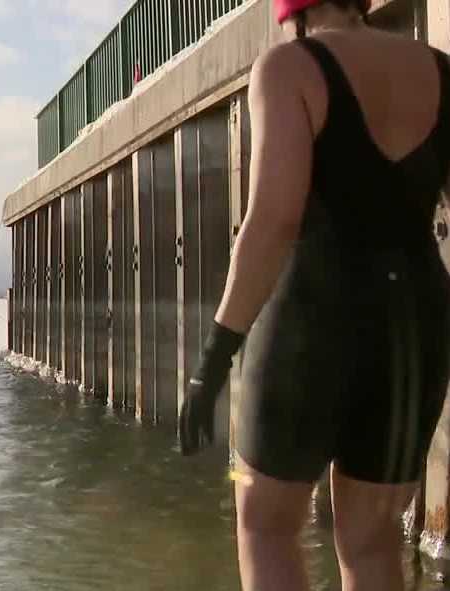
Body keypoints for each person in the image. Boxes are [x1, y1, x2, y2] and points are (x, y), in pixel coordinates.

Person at [178, 0, 450, 589]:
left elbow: (271, 222)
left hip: (310, 318)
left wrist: (213, 359)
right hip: (414, 328)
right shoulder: (442, 71)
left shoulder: (288, 68)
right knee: (373, 541)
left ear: (292, 12)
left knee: (265, 523)